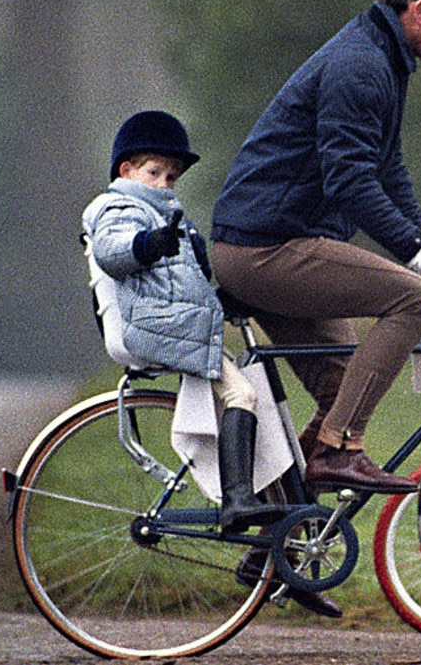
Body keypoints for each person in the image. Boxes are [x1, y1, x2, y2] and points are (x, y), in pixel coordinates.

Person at [209, 0, 421, 497]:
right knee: (412, 300)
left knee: (348, 392)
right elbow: (351, 182)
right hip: (265, 249)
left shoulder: (381, 56)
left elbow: (387, 168)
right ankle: (337, 453)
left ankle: (277, 545)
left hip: (270, 243)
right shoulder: (361, 63)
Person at [81, 111, 285, 535]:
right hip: (160, 330)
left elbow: (185, 280)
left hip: (176, 325)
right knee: (242, 394)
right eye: (154, 172)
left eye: (171, 178)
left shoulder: (164, 215)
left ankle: (268, 513)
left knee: (255, 393)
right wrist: (146, 245)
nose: (163, 184)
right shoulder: (121, 207)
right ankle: (238, 502)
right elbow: (112, 250)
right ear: (127, 170)